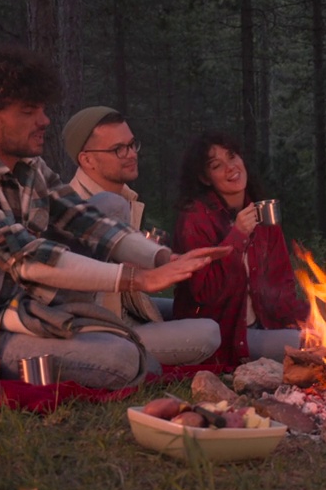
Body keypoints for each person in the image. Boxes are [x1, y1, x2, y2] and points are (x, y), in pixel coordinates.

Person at [0, 43, 227, 388]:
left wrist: (165, 258)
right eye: (28, 111)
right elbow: (26, 257)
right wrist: (137, 280)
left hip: (15, 306)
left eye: (42, 108)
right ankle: (112, 344)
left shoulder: (28, 166)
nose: (44, 120)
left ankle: (102, 338)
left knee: (108, 209)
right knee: (122, 359)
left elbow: (86, 220)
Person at [62, 106, 221, 366]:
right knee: (208, 333)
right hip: (101, 331)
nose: (131, 155)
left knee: (202, 308)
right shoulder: (77, 208)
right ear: (87, 160)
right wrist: (134, 271)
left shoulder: (123, 197)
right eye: (118, 149)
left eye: (132, 144)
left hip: (127, 306)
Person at [171, 132, 309, 366]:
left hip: (262, 325)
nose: (230, 167)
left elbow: (282, 284)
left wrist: (311, 317)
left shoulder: (262, 213)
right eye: (217, 165)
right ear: (206, 178)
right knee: (313, 347)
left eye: (232, 156)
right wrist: (237, 236)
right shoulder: (195, 220)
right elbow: (205, 293)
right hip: (225, 336)